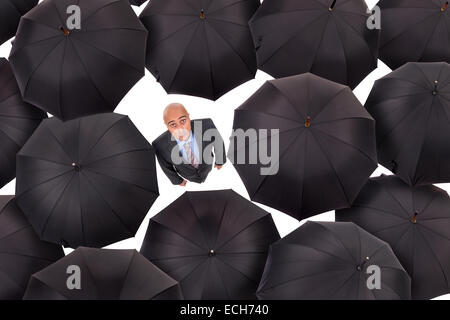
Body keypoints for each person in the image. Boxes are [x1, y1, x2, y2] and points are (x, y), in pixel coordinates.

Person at [153, 103, 226, 186]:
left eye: (183, 121)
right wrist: (178, 181)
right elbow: (166, 167)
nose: (180, 129)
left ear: (188, 117)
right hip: (188, 175)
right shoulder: (159, 145)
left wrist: (220, 161)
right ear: (166, 125)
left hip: (207, 167)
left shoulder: (207, 125)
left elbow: (218, 141)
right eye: (173, 124)